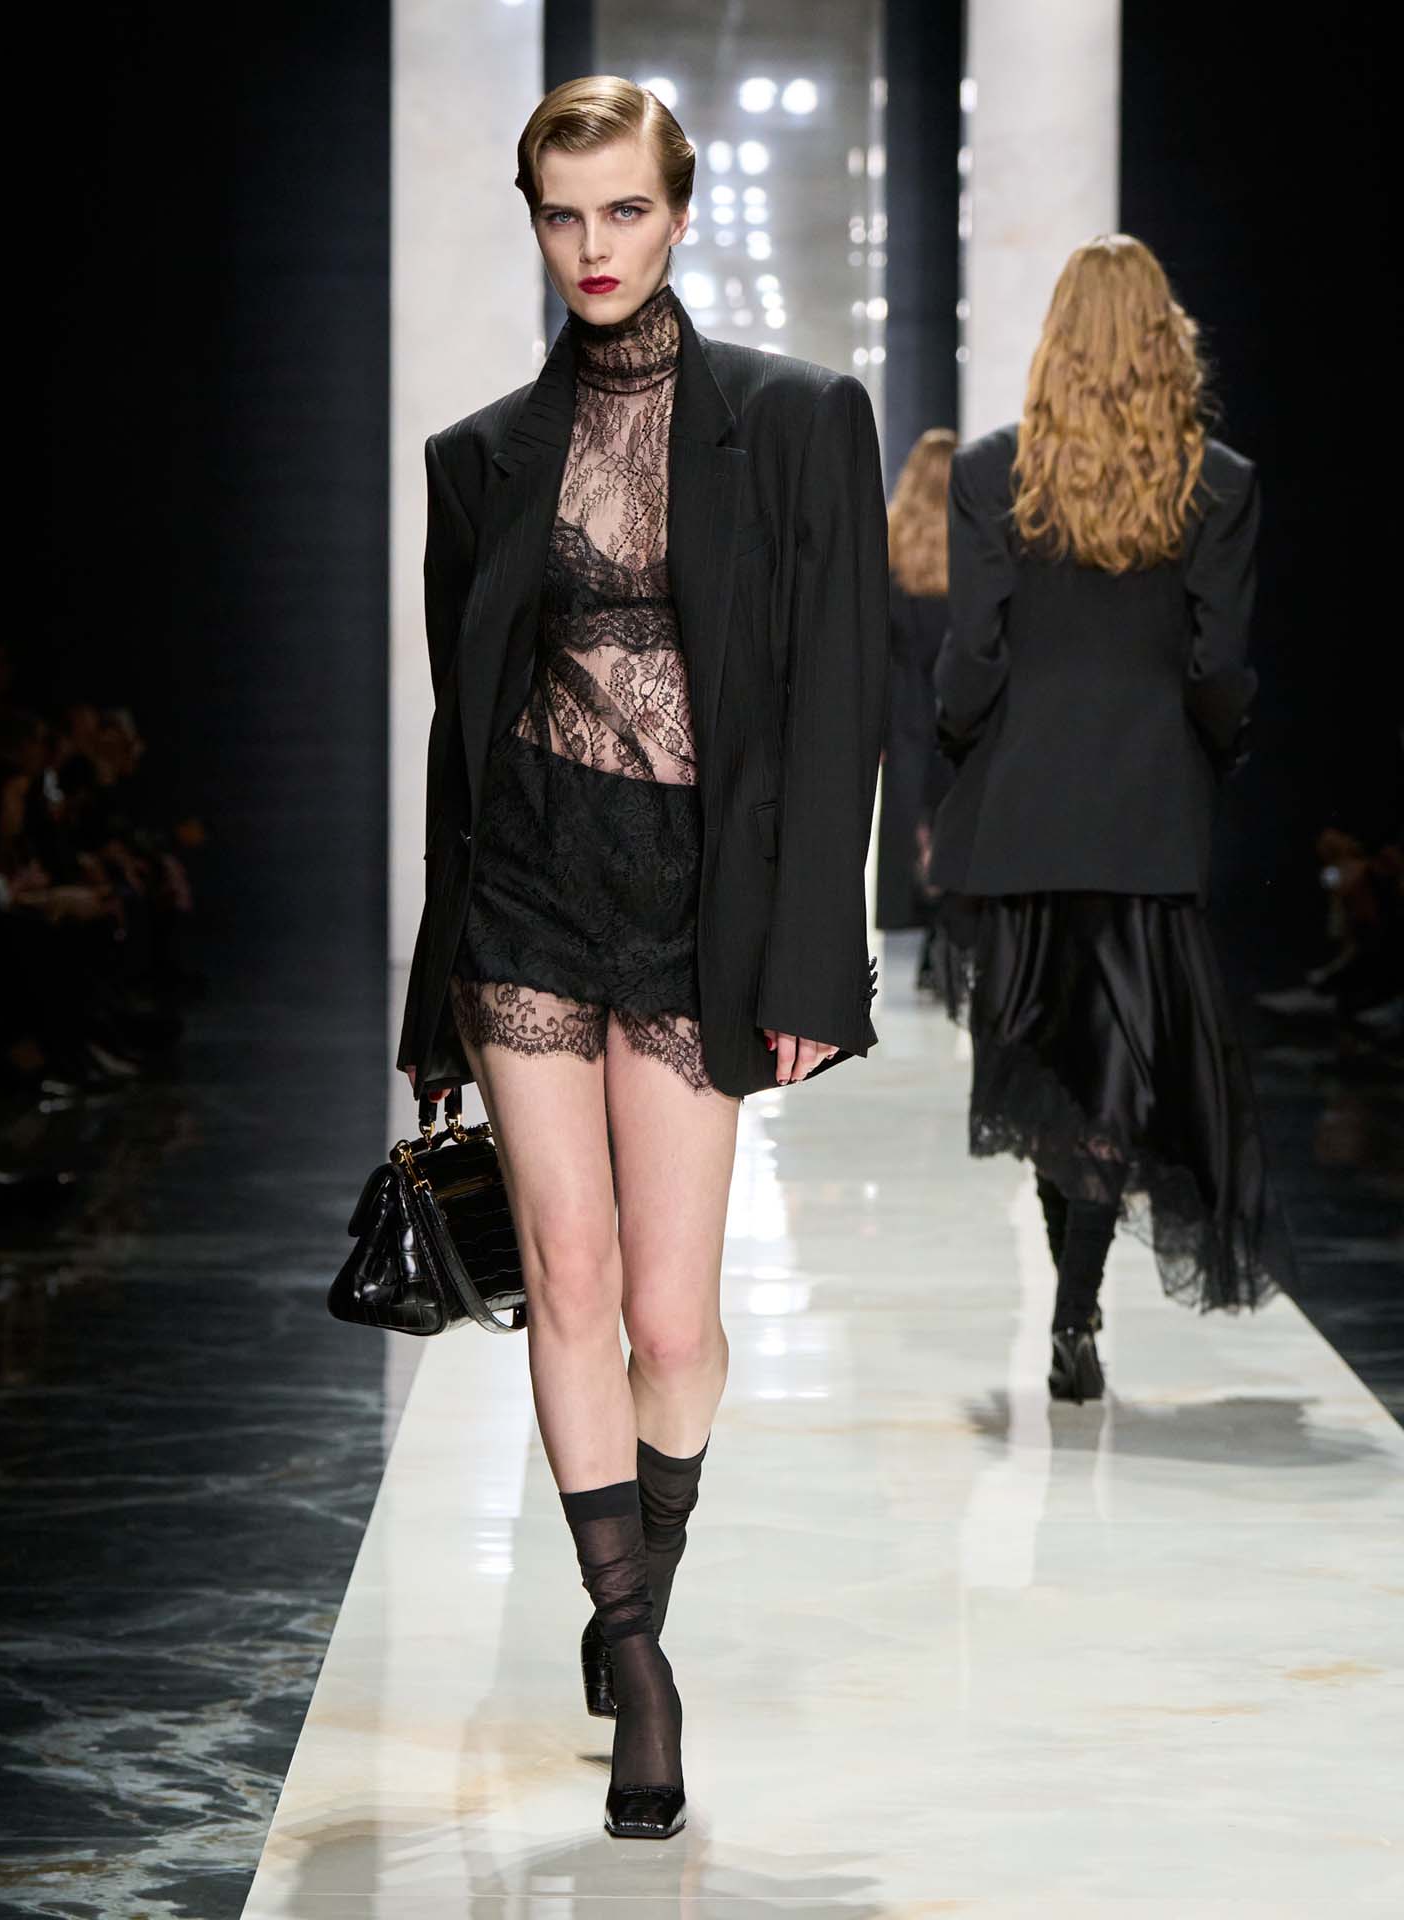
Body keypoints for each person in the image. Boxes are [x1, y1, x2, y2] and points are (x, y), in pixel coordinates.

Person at [396, 76, 887, 1838]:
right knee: (571, 1275)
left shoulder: (799, 419)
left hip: (696, 905)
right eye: (562, 213)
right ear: (534, 222)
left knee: (675, 1320)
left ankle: (642, 1582)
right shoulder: (477, 458)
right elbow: (464, 741)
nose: (592, 246)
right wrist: (431, 997)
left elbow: (840, 705)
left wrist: (815, 964)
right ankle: (636, 1659)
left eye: (623, 210)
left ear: (677, 214)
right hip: (529, 890)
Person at [929, 234, 1293, 1402]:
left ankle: (1072, 1305)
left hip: (1023, 815)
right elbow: (1216, 665)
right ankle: (1075, 1312)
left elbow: (974, 655)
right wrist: (1218, 752)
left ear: (1057, 342)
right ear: (1165, 341)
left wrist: (953, 739)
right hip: (1145, 817)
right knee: (1114, 1077)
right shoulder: (1218, 484)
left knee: (1046, 1072)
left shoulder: (994, 475)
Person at [876, 427, 956, 987]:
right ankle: (946, 937)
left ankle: (924, 926)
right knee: (954, 815)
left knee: (915, 823)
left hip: (904, 706)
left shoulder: (890, 542)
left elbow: (877, 643)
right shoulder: (976, 547)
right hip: (957, 703)